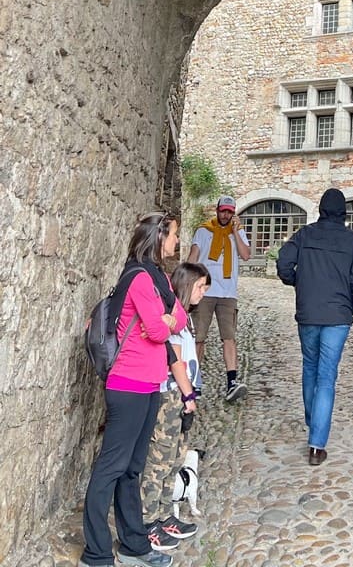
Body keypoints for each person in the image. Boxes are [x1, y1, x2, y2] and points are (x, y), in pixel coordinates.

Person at [80, 212, 188, 567]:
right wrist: (162, 323)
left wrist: (165, 320)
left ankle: (133, 547)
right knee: (111, 467)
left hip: (149, 384)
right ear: (158, 237)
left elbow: (180, 317)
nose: (176, 241)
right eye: (173, 235)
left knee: (132, 468)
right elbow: (157, 331)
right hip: (128, 386)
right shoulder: (140, 278)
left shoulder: (160, 279)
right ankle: (96, 552)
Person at [277, 187, 353, 466]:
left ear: (320, 210)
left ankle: (313, 420)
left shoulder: (305, 235)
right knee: (327, 376)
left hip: (308, 311)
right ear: (344, 213)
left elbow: (283, 262)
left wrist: (298, 282)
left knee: (310, 366)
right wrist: (351, 306)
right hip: (337, 316)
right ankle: (317, 444)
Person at [141, 262, 211, 551]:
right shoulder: (173, 320)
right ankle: (148, 521)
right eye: (200, 286)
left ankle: (164, 515)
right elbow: (176, 362)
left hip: (179, 397)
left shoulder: (186, 318)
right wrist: (188, 395)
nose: (203, 292)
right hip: (170, 396)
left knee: (175, 459)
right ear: (186, 285)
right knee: (159, 460)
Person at [188, 195, 250, 401]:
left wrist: (236, 232)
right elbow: (193, 257)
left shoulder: (238, 231)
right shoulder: (203, 231)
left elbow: (246, 255)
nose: (225, 215)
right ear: (217, 210)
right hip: (204, 291)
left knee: (229, 337)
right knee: (198, 337)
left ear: (234, 213)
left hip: (227, 293)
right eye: (223, 211)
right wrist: (187, 284)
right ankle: (193, 381)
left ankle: (232, 382)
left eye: (229, 212)